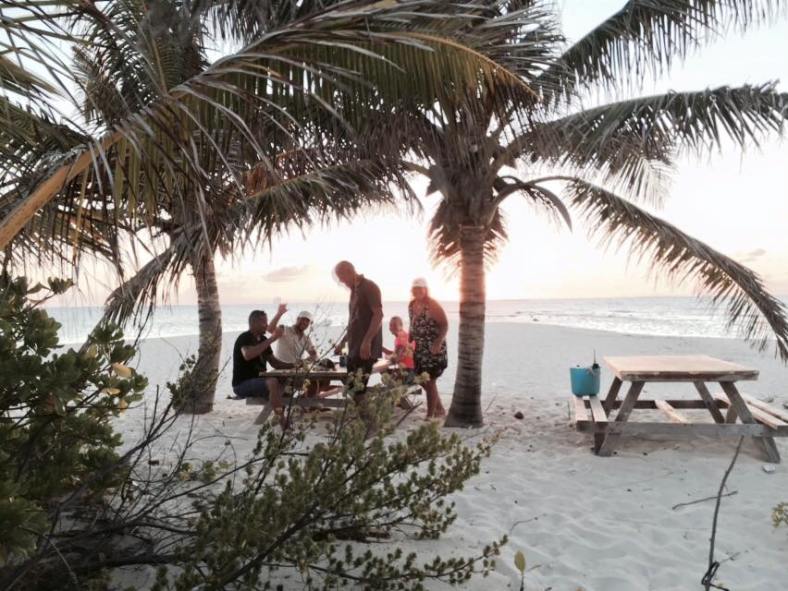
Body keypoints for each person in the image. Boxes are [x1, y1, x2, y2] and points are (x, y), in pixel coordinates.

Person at [231, 310, 294, 428]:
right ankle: (282, 420)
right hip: (242, 384)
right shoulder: (244, 338)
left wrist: (294, 365)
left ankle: (279, 412)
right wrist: (272, 339)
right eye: (264, 322)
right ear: (254, 323)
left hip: (259, 380)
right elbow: (248, 354)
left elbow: (275, 363)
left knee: (286, 380)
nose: (267, 325)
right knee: (273, 382)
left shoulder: (263, 339)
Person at [332, 261, 383, 391]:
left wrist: (367, 341)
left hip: (365, 349)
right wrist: (343, 343)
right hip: (354, 349)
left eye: (341, 277)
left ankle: (364, 407)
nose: (341, 281)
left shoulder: (369, 287)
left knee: (358, 390)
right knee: (352, 388)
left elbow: (378, 315)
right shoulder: (354, 291)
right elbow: (354, 322)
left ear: (349, 271)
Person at [408, 277, 448, 419]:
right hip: (419, 350)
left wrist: (438, 342)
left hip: (433, 350)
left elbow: (444, 324)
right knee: (422, 380)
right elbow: (412, 325)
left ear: (425, 290)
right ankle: (440, 409)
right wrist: (409, 342)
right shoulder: (412, 305)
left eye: (420, 288)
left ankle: (430, 416)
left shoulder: (432, 305)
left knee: (430, 381)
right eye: (415, 288)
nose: (417, 291)